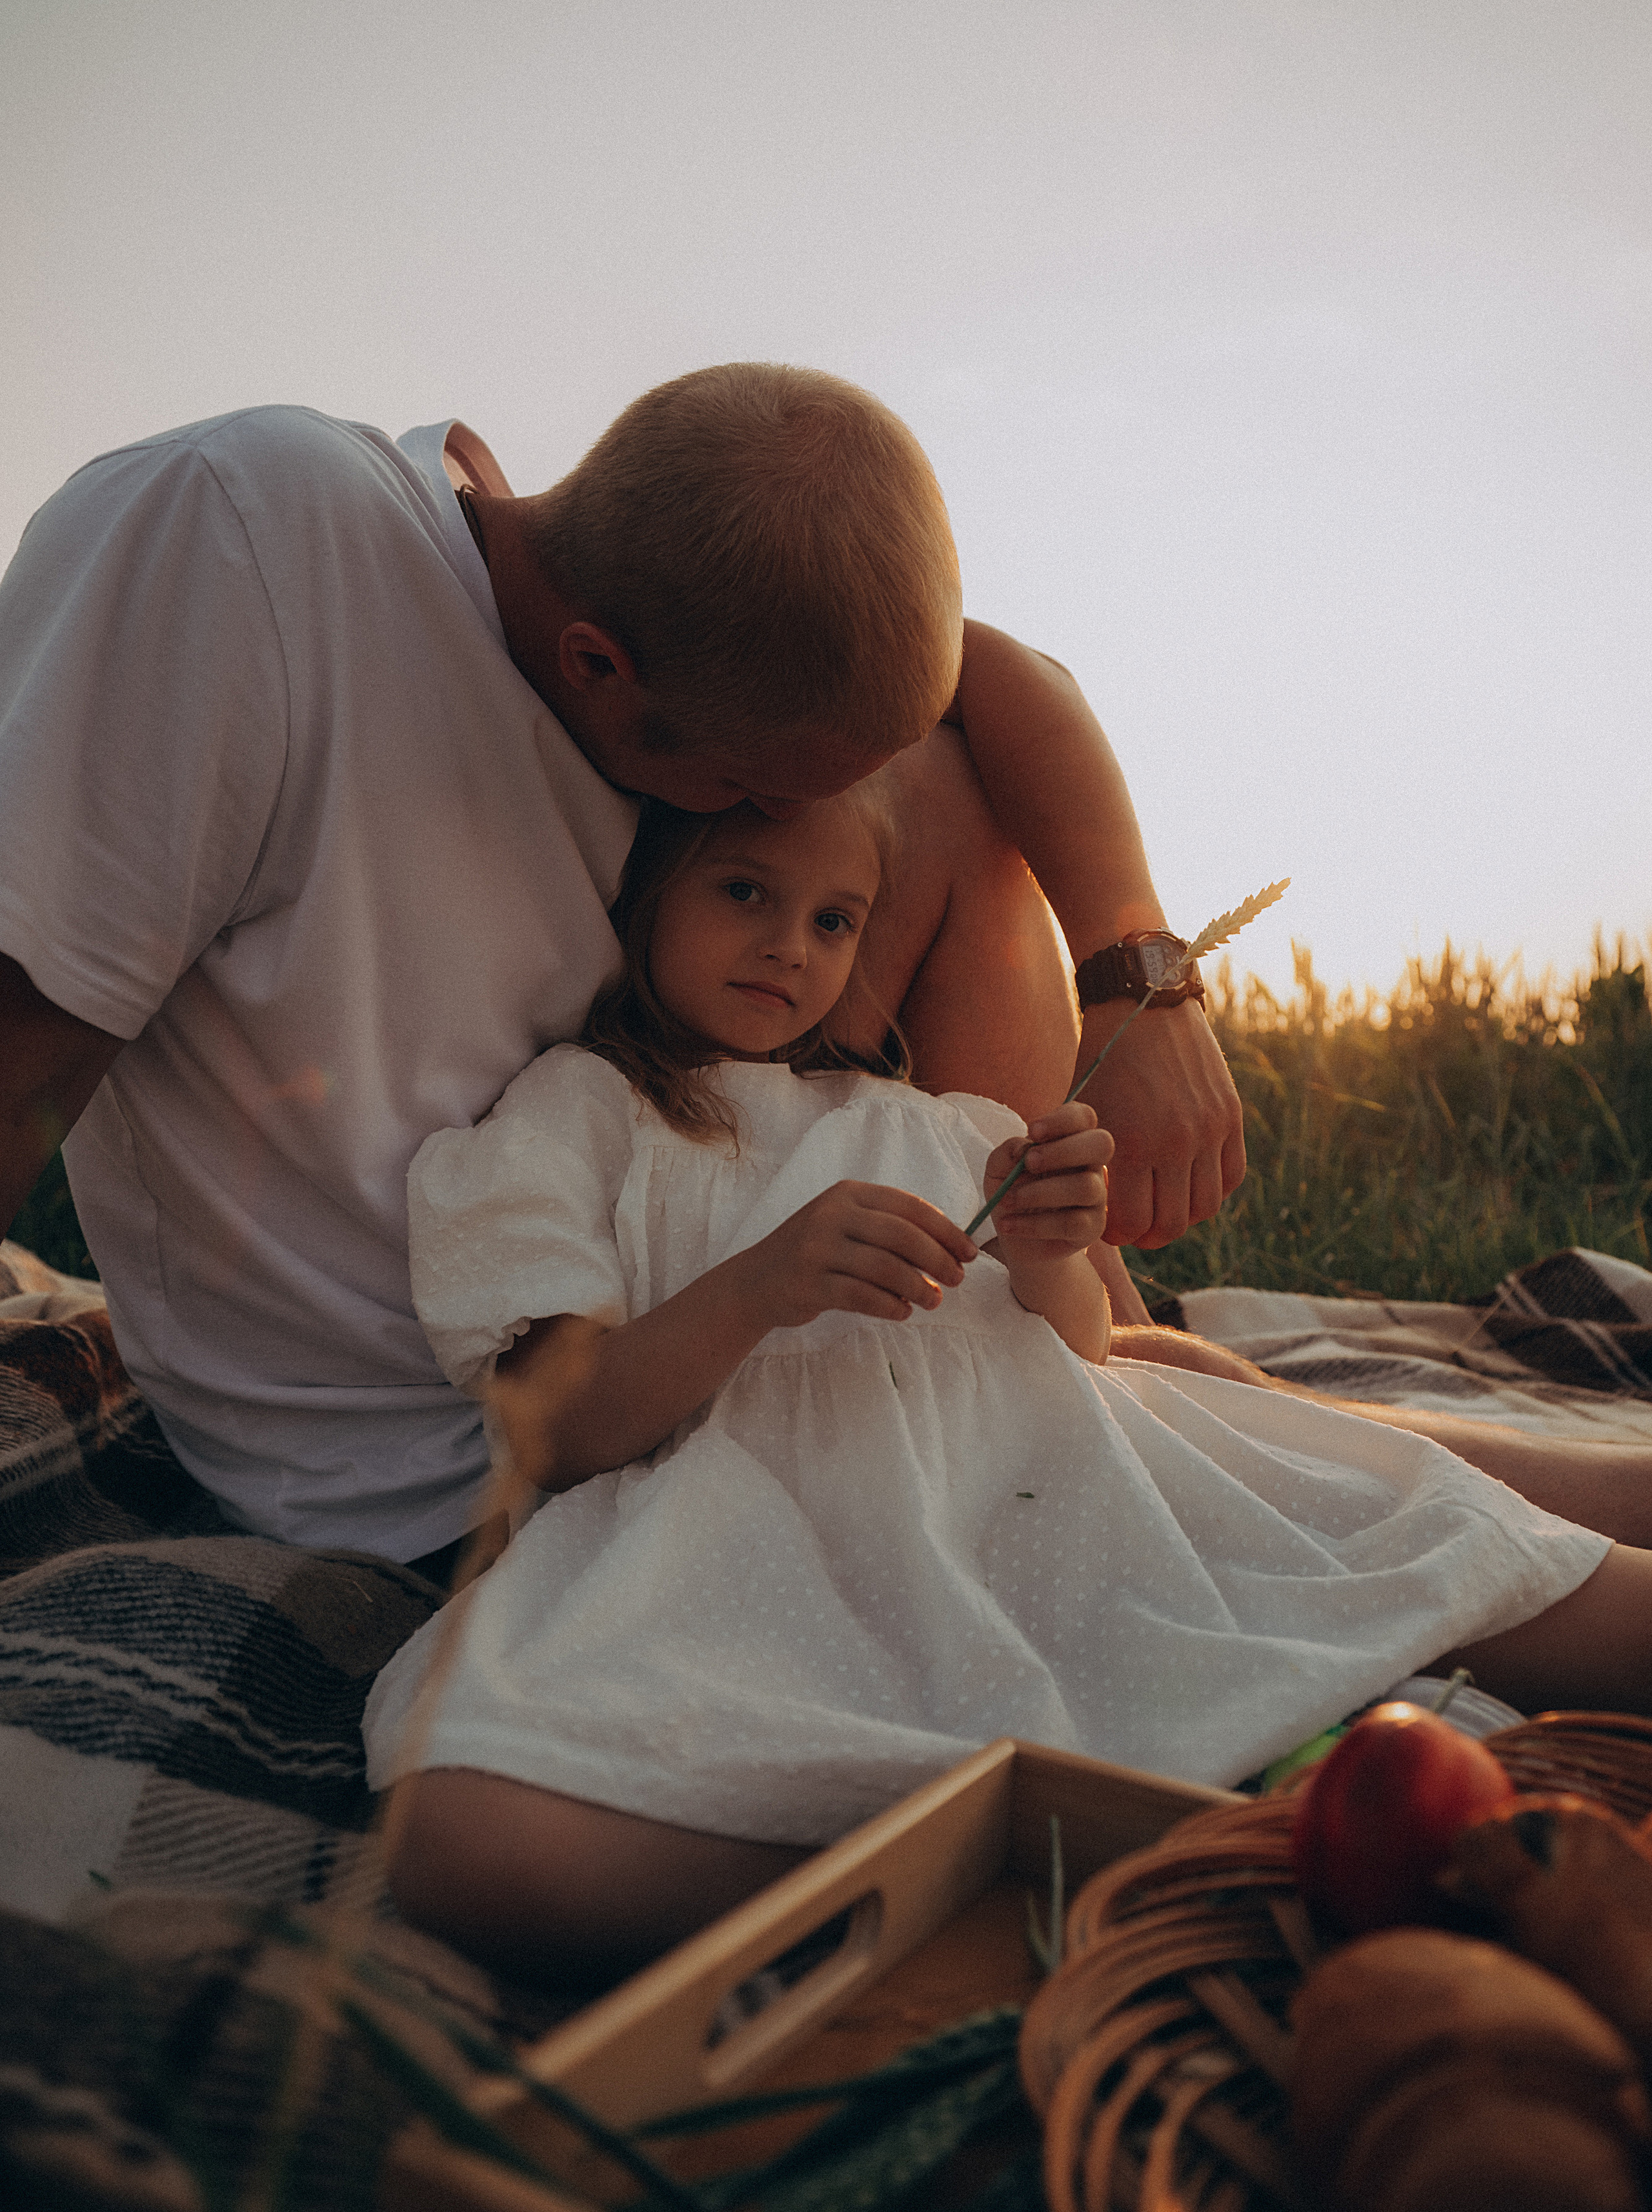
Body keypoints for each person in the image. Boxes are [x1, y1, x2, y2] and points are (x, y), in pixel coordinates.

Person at [365, 791, 1652, 1982]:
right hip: (754, 1534)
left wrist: (1047, 1249)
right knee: (462, 1838)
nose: (789, 948)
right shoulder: (583, 1109)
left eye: (832, 920)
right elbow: (560, 1427)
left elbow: (1078, 1344)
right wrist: (755, 1285)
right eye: (742, 892)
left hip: (1046, 1480)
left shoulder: (920, 1113)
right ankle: (1028, 1845)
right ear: (641, 892)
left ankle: (1085, 1827)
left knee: (1421, 1536)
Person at [0, 365, 1244, 1568]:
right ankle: (1109, 1390)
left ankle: (1095, 1343)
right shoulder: (248, 532)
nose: (758, 812)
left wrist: (1145, 976)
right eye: (746, 793)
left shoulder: (628, 604)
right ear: (596, 665)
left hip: (713, 1288)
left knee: (940, 784)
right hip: (463, 1433)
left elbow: (998, 679)